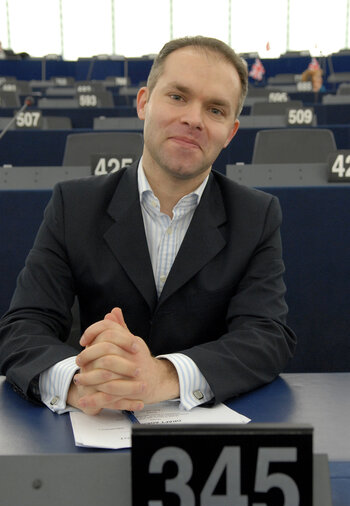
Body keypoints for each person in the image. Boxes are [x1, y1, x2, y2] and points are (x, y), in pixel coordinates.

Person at [0, 36, 296, 416]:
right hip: (92, 419)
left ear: (231, 132)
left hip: (200, 427)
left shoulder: (256, 215)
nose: (193, 118)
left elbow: (266, 336)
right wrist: (81, 382)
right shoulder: (73, 205)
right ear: (144, 102)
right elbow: (24, 324)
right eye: (177, 97)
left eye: (216, 110)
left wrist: (162, 376)